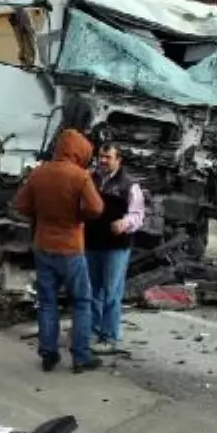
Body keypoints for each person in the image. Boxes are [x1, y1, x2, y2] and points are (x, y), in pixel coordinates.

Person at [13, 128, 105, 374]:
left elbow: (20, 204)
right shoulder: (80, 176)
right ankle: (81, 357)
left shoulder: (39, 173)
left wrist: (40, 214)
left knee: (47, 302)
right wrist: (78, 216)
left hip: (43, 246)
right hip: (71, 248)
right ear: (79, 152)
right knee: (82, 302)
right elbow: (96, 209)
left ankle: (48, 354)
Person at [84, 143, 144, 355]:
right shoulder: (90, 180)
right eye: (101, 157)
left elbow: (138, 216)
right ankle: (93, 331)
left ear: (118, 160)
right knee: (92, 290)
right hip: (91, 244)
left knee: (111, 292)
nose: (103, 161)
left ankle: (109, 336)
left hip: (116, 247)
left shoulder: (129, 186)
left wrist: (125, 223)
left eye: (107, 157)